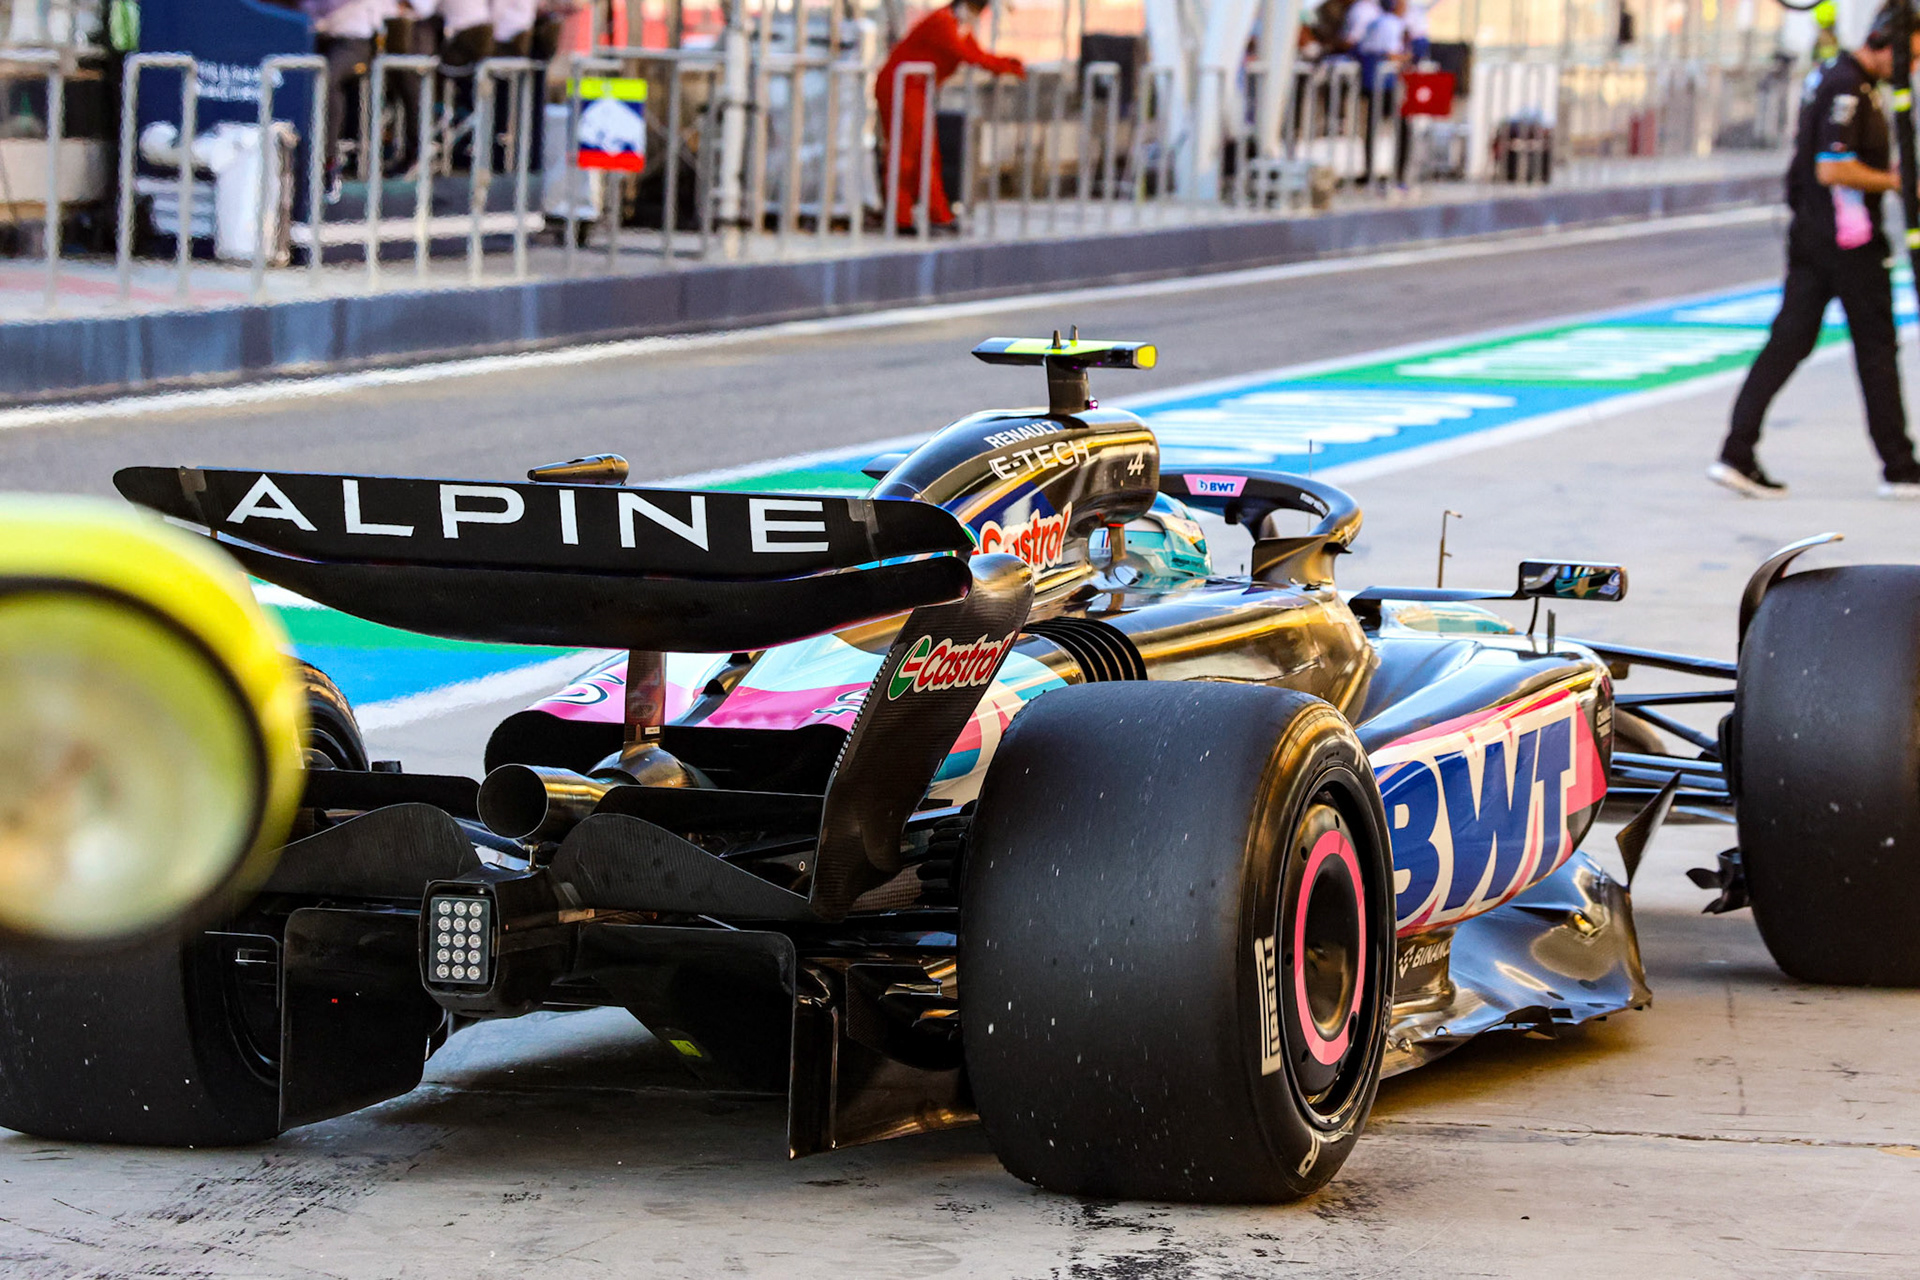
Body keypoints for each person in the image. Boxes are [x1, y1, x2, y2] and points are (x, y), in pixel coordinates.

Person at [1713, 1, 1920, 500]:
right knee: (1875, 348)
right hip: (1847, 241)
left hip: (1814, 235)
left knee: (1790, 341)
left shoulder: (1839, 75)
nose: (1912, 68)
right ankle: (1899, 465)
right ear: (1887, 44)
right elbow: (1832, 166)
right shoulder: (1849, 85)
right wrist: (1896, 181)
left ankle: (1736, 452)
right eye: (1910, 57)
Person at [876, 0, 1024, 233]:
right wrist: (1006, 66)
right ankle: (899, 217)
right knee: (905, 154)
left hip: (918, 89)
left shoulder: (958, 24)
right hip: (902, 86)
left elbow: (976, 52)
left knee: (927, 153)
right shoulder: (943, 22)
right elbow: (966, 55)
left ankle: (938, 214)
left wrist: (1008, 64)